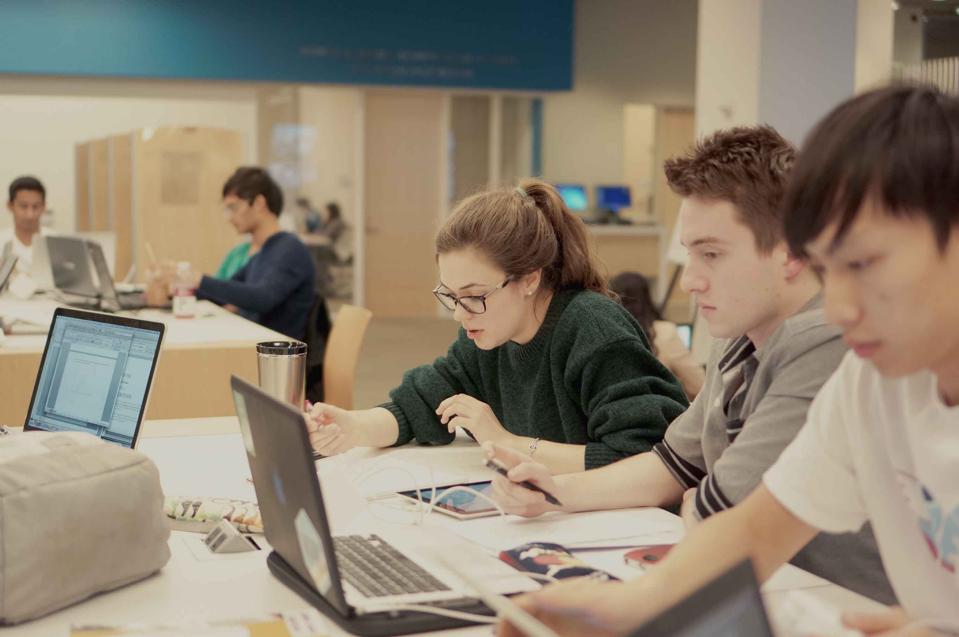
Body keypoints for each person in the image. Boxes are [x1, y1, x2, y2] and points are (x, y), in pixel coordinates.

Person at [495, 85, 959, 637]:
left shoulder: (837, 352)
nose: (838, 307)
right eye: (831, 269)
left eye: (864, 263)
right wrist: (627, 608)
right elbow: (755, 530)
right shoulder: (870, 383)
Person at [307, 179, 689, 474]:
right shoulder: (488, 333)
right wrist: (353, 427)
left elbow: (647, 459)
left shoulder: (593, 329)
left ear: (529, 280)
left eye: (474, 295)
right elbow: (419, 404)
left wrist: (506, 442)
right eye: (452, 295)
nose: (460, 313)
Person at [190, 167, 315, 340]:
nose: (230, 217)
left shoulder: (291, 249)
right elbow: (225, 290)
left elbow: (261, 298)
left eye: (234, 208)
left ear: (259, 203)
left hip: (274, 357)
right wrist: (180, 287)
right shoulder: (264, 251)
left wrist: (199, 279)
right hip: (252, 344)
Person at [609, 271, 705, 399]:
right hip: (663, 415)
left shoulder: (605, 333)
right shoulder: (664, 333)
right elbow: (698, 384)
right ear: (646, 297)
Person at [0, 176, 50, 284]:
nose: (30, 214)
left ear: (44, 206)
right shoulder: (2, 242)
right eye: (23, 206)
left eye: (35, 206)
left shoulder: (56, 242)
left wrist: (15, 274)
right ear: (10, 206)